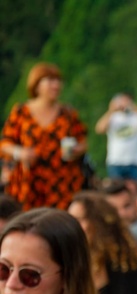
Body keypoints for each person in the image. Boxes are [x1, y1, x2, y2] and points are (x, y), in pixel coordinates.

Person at [0, 63, 87, 210]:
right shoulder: (21, 112)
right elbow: (4, 143)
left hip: (62, 185)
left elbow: (83, 142)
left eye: (58, 81)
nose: (56, 85)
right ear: (36, 85)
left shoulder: (68, 114)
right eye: (50, 80)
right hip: (29, 183)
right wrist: (20, 152)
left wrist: (76, 150)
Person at [94, 92, 137, 182]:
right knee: (117, 190)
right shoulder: (112, 118)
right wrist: (111, 110)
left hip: (134, 161)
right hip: (116, 161)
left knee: (136, 189)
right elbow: (99, 129)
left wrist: (133, 107)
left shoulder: (135, 117)